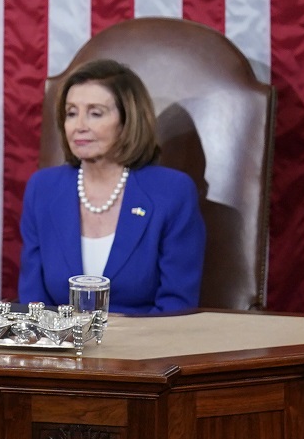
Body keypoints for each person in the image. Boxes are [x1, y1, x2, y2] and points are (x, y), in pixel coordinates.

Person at [18, 59, 204, 315]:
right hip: (59, 349)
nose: (79, 125)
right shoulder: (43, 188)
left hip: (145, 349)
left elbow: (176, 305)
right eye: (71, 113)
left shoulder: (172, 192)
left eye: (95, 113)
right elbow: (33, 301)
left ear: (128, 121)